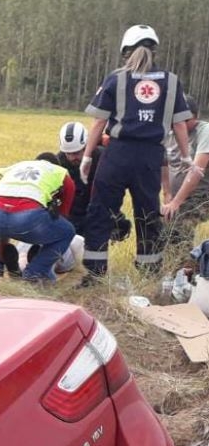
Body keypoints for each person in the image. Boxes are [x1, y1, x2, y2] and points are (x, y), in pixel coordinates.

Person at [78, 24, 192, 280]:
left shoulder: (116, 78)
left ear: (126, 51)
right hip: (150, 157)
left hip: (117, 154)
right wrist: (186, 158)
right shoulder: (171, 81)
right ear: (155, 50)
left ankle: (94, 274)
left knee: (101, 211)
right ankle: (149, 273)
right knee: (148, 214)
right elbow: (179, 124)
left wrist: (87, 156)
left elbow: (98, 122)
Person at [0, 159, 77, 282]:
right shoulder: (61, 174)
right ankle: (35, 272)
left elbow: (4, 210)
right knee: (67, 231)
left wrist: (1, 253)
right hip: (28, 218)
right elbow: (60, 218)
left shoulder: (17, 167)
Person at [161, 95, 209, 237]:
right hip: (177, 196)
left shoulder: (205, 132)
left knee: (181, 226)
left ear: (194, 117)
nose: (177, 124)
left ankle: (185, 258)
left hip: (202, 196)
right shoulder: (168, 133)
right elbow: (163, 163)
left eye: (183, 120)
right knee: (158, 225)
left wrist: (176, 203)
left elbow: (196, 171)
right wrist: (167, 193)